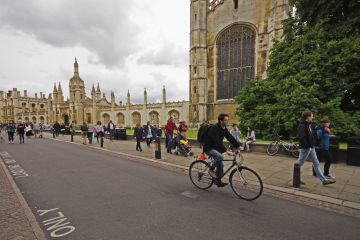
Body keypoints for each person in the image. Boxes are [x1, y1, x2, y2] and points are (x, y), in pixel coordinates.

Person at [295, 111, 336, 186]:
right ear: (308, 117)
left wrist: (316, 144)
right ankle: (296, 179)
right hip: (306, 148)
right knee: (299, 163)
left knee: (316, 163)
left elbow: (314, 136)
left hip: (312, 147)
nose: (313, 117)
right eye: (312, 116)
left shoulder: (311, 125)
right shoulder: (302, 126)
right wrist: (308, 146)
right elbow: (301, 137)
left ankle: (324, 180)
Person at [202, 113, 240, 187]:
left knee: (220, 166)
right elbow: (217, 141)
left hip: (216, 148)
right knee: (220, 157)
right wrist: (226, 151)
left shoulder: (224, 128)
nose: (227, 122)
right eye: (225, 120)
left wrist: (238, 145)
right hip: (208, 148)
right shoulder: (214, 128)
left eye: (227, 120)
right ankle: (211, 170)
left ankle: (218, 181)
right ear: (220, 121)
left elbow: (230, 137)